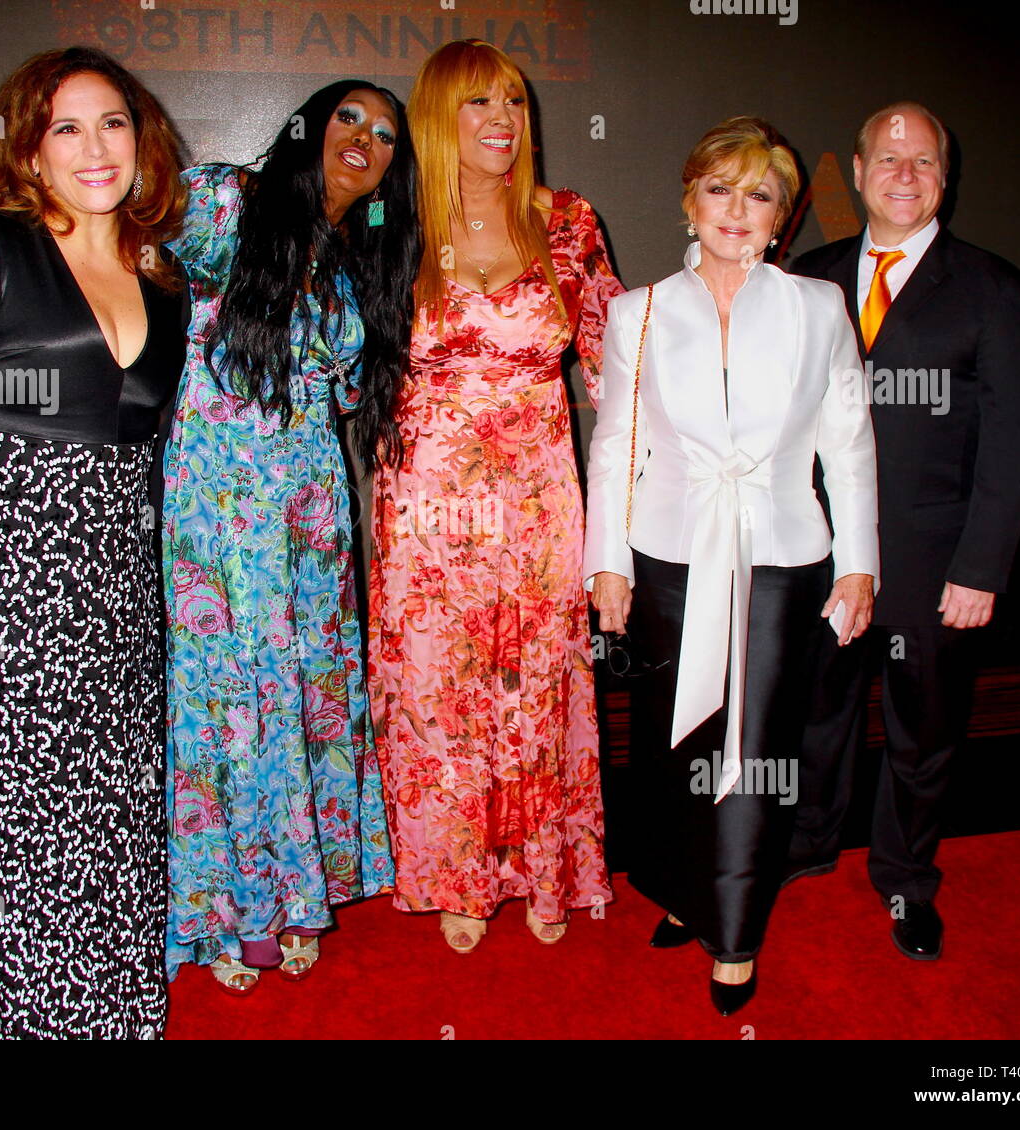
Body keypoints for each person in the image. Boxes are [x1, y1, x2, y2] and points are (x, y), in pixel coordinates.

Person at [0, 47, 188, 1038]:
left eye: (113, 123)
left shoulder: (162, 278)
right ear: (29, 145)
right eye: (66, 125)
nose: (94, 146)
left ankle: (114, 1013)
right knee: (19, 813)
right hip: (9, 569)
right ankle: (19, 1018)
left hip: (117, 583)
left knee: (114, 810)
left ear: (141, 142)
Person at [584, 117, 879, 1015]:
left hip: (782, 557)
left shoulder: (817, 307)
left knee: (753, 750)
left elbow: (850, 438)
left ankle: (737, 931)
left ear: (783, 216)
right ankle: (687, 885)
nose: (737, 210)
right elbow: (615, 444)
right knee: (681, 743)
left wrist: (859, 563)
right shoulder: (638, 312)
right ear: (690, 198)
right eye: (721, 189)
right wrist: (607, 562)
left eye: (760, 195)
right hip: (668, 553)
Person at [163, 81, 418, 993]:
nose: (366, 138)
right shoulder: (226, 200)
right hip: (216, 502)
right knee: (228, 697)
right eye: (349, 117)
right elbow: (121, 237)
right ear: (309, 125)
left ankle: (293, 895)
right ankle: (228, 910)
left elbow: (350, 396)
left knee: (303, 697)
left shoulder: (357, 260)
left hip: (311, 511)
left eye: (387, 134)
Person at [368, 39, 622, 954]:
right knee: (440, 692)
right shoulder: (390, 231)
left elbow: (619, 369)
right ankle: (459, 878)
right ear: (439, 118)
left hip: (539, 503)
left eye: (513, 102)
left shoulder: (568, 223)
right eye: (478, 104)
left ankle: (542, 868)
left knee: (537, 685)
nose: (503, 121)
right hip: (426, 508)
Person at [786, 102, 1020, 961]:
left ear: (946, 178)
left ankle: (905, 880)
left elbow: (1016, 448)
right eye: (888, 158)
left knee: (922, 732)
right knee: (814, 713)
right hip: (819, 559)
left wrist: (980, 570)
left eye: (924, 160)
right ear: (855, 172)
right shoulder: (806, 277)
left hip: (936, 567)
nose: (905, 173)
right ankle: (809, 843)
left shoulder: (998, 290)